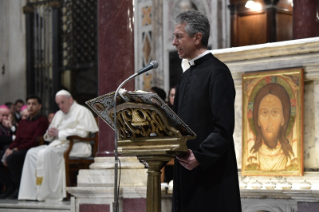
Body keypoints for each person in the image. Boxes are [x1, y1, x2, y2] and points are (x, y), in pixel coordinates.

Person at [171, 11, 241, 211]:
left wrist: (200, 157)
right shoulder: (185, 76)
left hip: (211, 175)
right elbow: (176, 124)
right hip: (185, 172)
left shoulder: (218, 72)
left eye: (179, 36)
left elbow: (224, 128)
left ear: (197, 38)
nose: (174, 42)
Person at [19, 90, 99, 201]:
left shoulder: (82, 111)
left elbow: (83, 133)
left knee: (49, 153)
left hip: (78, 145)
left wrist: (60, 133)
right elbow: (50, 134)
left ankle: (51, 194)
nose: (60, 106)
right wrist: (50, 134)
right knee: (31, 153)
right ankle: (31, 193)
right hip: (58, 144)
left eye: (62, 102)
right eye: (58, 104)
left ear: (70, 100)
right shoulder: (59, 114)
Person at [0, 95, 48, 199]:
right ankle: (9, 187)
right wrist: (9, 148)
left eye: (34, 104)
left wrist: (16, 149)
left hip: (32, 149)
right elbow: (17, 139)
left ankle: (19, 188)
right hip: (20, 148)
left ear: (39, 106)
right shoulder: (22, 122)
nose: (30, 106)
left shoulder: (42, 121)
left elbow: (35, 141)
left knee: (13, 158)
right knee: (2, 155)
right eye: (29, 104)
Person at [249, 83, 296, 171]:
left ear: (283, 119)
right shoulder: (252, 157)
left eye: (274, 112)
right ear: (258, 120)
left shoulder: (291, 158)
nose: (269, 121)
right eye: (264, 113)